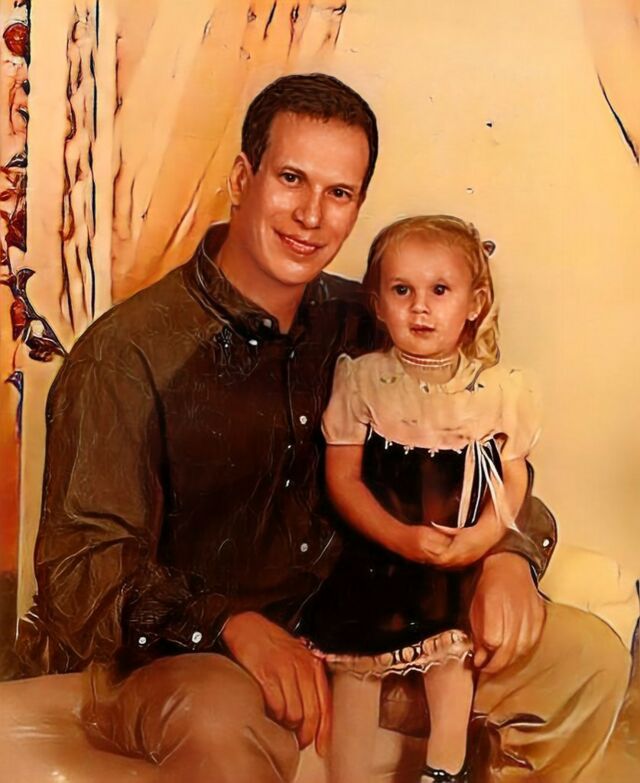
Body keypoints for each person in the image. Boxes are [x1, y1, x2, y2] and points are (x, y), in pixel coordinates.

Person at [15, 74, 629, 783]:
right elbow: (81, 571)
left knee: (585, 660)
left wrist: (510, 555)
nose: (311, 215)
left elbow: (481, 455)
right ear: (241, 178)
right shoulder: (127, 355)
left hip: (367, 629)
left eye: (339, 192)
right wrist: (229, 624)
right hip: (187, 661)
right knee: (219, 716)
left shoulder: (373, 324)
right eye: (291, 179)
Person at [299, 215, 539, 783]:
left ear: (474, 304)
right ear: (378, 305)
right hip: (380, 552)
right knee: (356, 670)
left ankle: (443, 771)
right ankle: (348, 775)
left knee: (452, 661)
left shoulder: (495, 388)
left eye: (440, 290)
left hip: (453, 557)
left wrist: (482, 537)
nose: (420, 308)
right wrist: (401, 537)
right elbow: (343, 479)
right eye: (402, 291)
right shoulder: (363, 379)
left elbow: (512, 477)